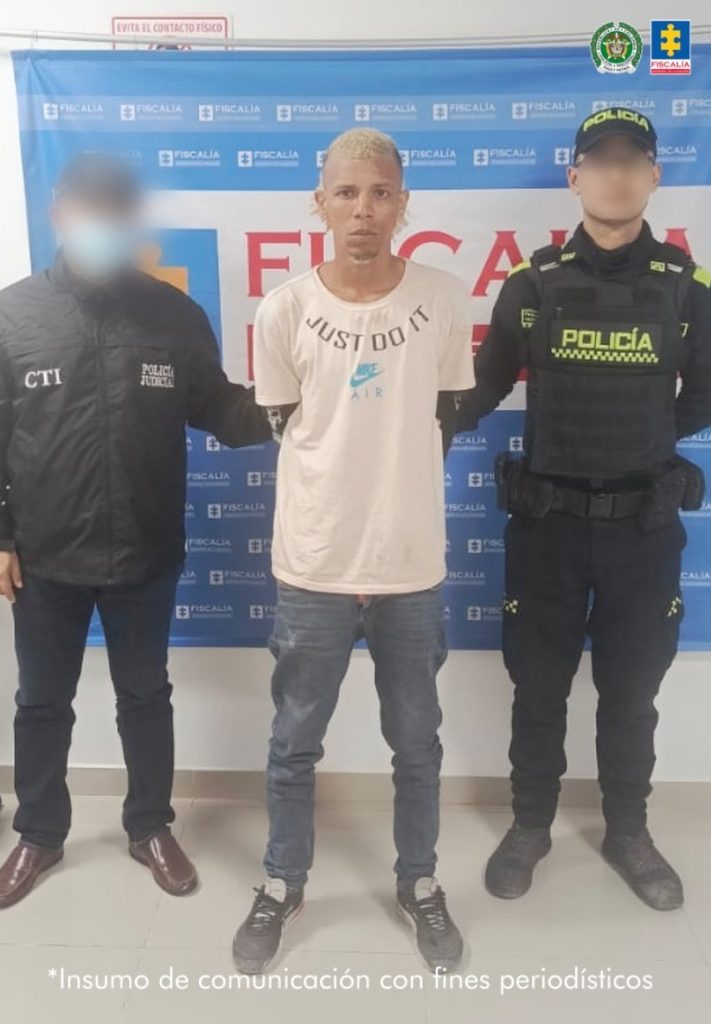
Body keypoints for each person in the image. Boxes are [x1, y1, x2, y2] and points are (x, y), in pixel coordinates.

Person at [231, 127, 474, 974]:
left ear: (402, 203)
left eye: (379, 192)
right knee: (294, 741)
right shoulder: (284, 309)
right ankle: (281, 881)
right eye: (346, 192)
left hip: (410, 563)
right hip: (314, 565)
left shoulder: (444, 300)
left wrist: (388, 496)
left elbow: (442, 416)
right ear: (320, 204)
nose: (363, 209)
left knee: (417, 744)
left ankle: (418, 882)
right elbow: (286, 425)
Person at [0, 152, 271, 907]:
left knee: (145, 694)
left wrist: (294, 397)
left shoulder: (173, 315)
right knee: (41, 701)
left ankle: (149, 825)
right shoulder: (12, 316)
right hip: (44, 555)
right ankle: (38, 833)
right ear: (60, 216)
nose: (103, 224)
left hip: (146, 550)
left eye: (116, 212)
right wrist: (2, 535)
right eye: (89, 211)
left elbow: (222, 410)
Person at [457, 108, 711, 911]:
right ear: (574, 178)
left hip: (642, 530)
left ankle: (627, 832)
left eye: (632, 161)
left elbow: (706, 389)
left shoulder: (687, 287)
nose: (615, 174)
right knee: (537, 691)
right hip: (547, 529)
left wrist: (648, 435)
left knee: (631, 696)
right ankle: (529, 825)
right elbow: (481, 388)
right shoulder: (530, 284)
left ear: (653, 177)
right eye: (600, 161)